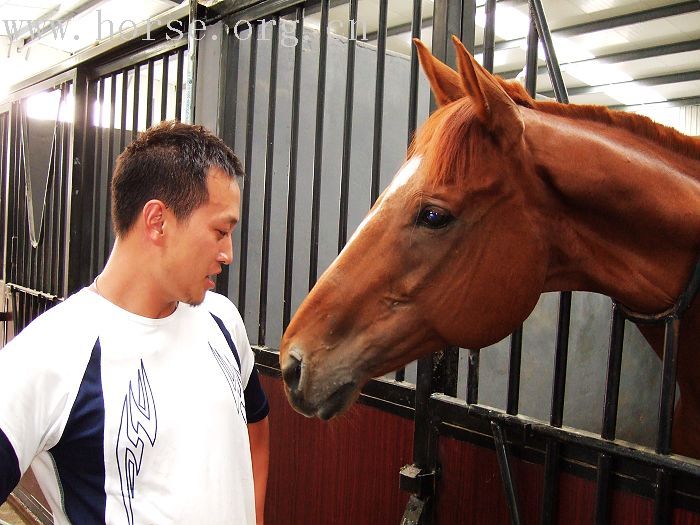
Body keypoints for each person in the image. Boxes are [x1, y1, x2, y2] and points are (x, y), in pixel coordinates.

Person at [0, 121, 270, 525]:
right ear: (158, 221)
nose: (228, 253)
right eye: (220, 230)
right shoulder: (51, 353)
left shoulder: (223, 321)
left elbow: (256, 429)